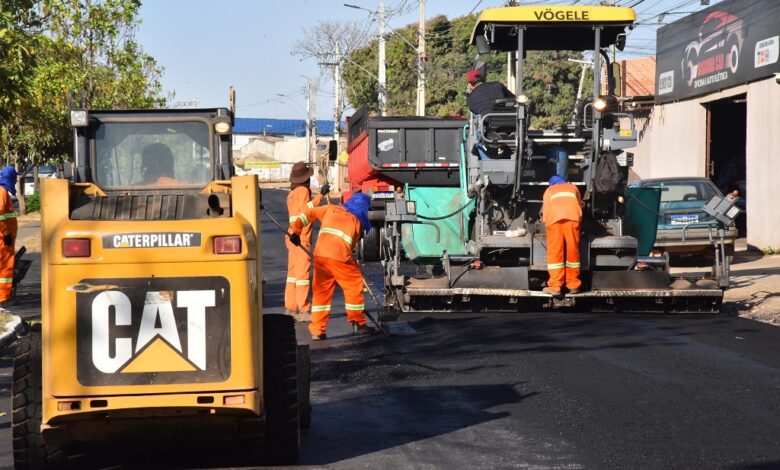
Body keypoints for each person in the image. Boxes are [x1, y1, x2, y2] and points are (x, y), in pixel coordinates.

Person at [289, 192, 375, 340]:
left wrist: (296, 231)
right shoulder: (357, 221)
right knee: (353, 286)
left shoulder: (330, 209)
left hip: (321, 256)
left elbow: (307, 213)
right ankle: (358, 323)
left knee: (321, 293)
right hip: (339, 257)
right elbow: (349, 248)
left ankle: (317, 331)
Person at [285, 162, 328, 321]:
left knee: (292, 274)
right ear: (305, 179)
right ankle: (304, 310)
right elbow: (306, 210)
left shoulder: (291, 193)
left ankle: (291, 308)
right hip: (300, 237)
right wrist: (320, 196)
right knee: (302, 275)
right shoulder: (303, 191)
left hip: (291, 236)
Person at [542, 175, 583, 296]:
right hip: (572, 218)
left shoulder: (549, 190)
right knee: (573, 251)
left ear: (552, 184)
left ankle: (555, 287)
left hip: (554, 220)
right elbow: (579, 205)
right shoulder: (573, 188)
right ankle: (573, 285)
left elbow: (546, 210)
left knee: (555, 252)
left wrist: (547, 223)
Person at [0, 167, 18, 306]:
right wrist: (6, 234)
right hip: (3, 238)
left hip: (5, 237)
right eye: (14, 178)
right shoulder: (2, 192)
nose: (16, 180)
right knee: (5, 266)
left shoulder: (3, 191)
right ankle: (3, 298)